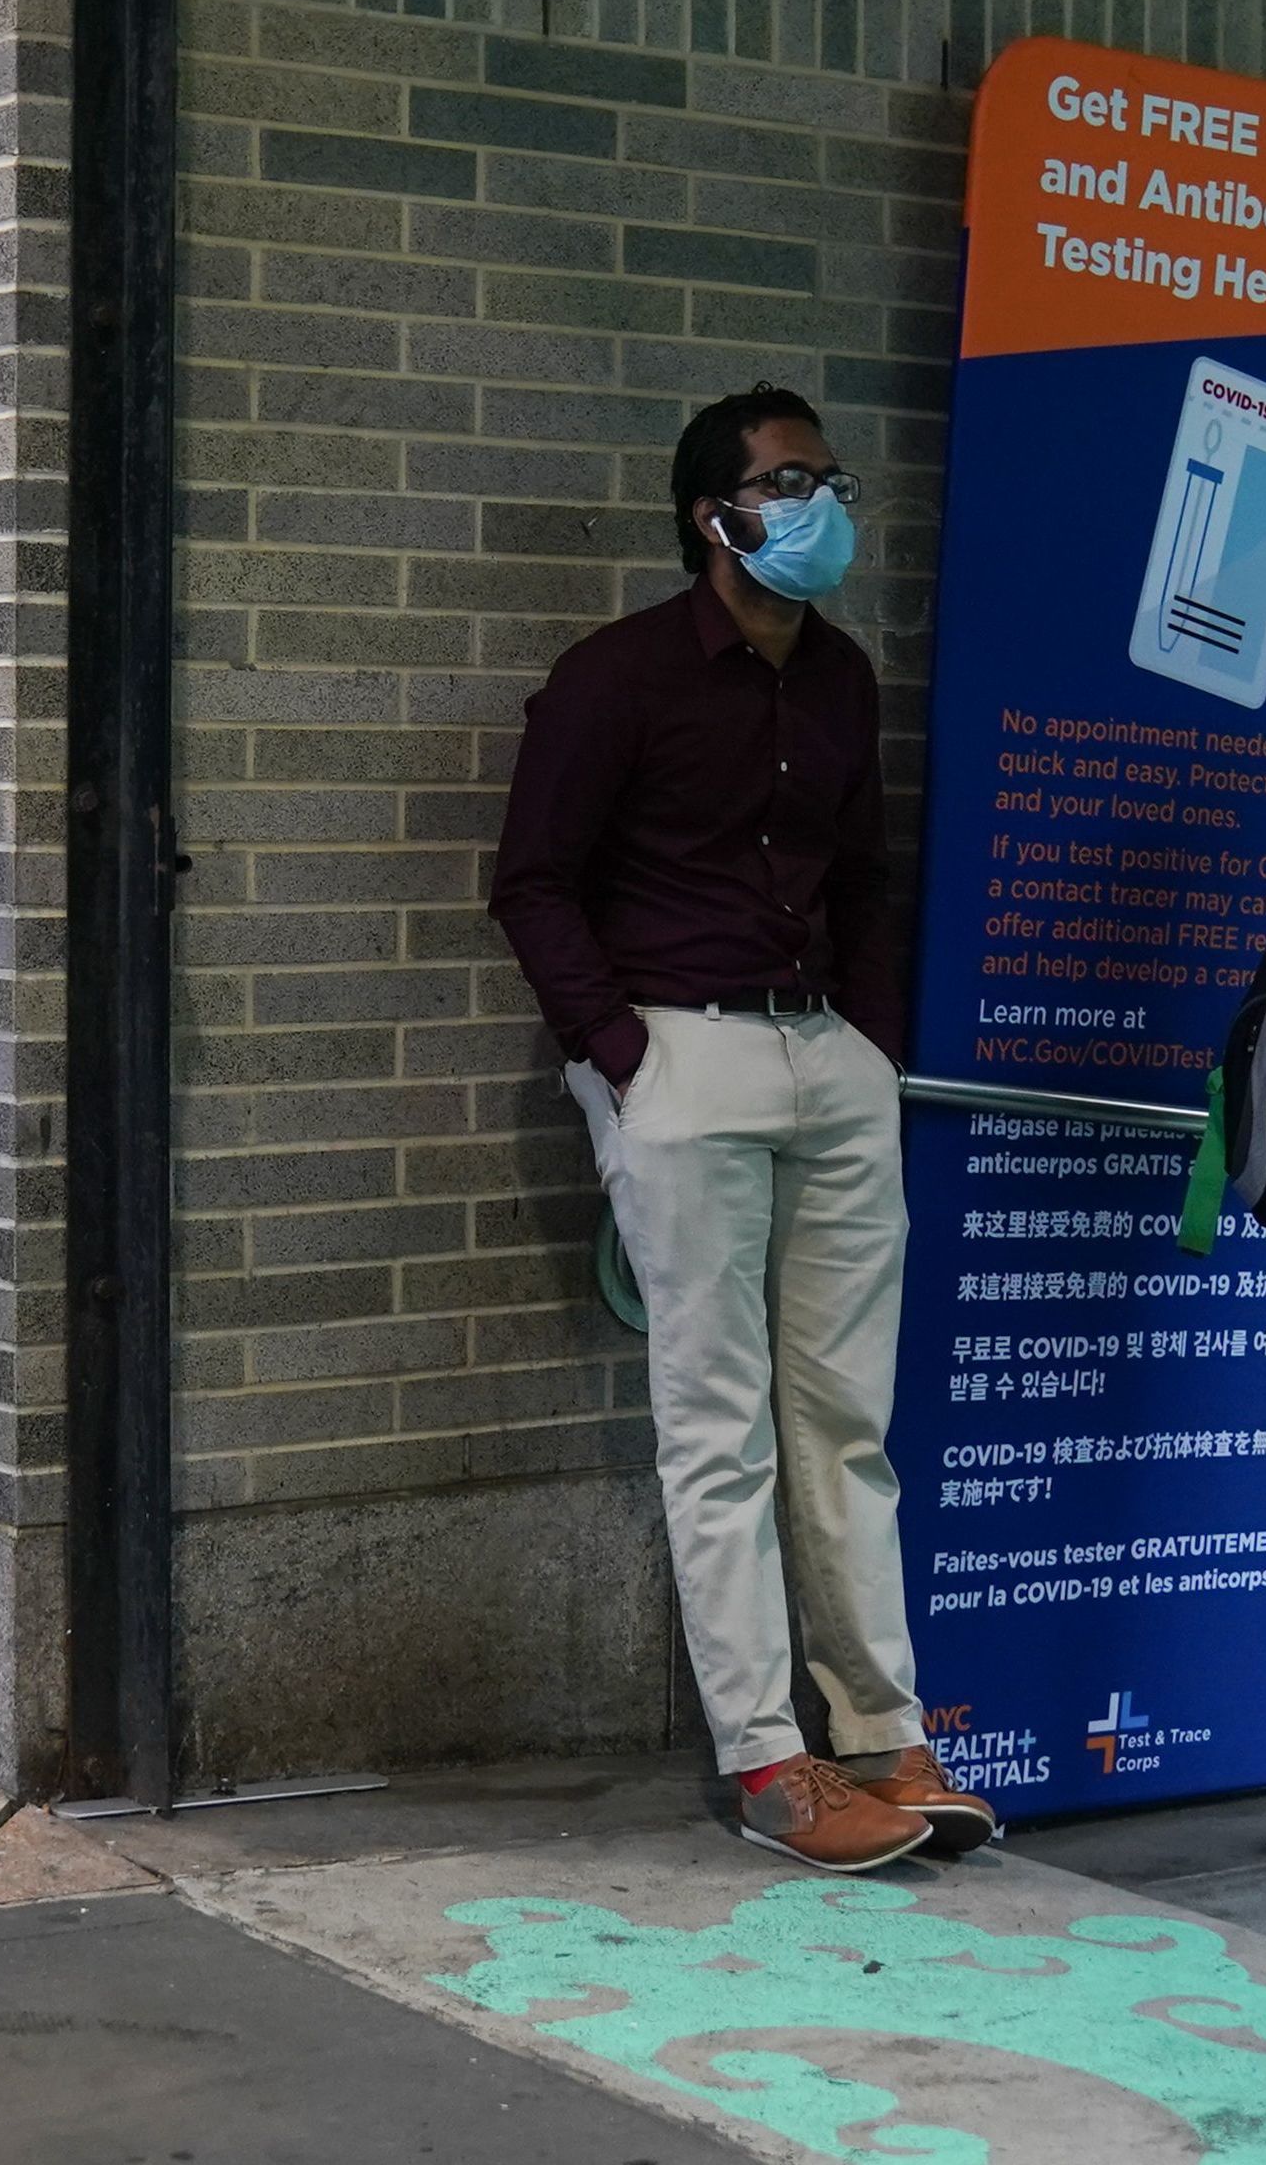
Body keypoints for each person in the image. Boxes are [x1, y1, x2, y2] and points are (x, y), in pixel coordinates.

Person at [489, 383, 990, 1874]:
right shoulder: (615, 679)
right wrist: (622, 1050)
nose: (819, 503)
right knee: (719, 1423)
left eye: (829, 476)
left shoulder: (840, 679)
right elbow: (532, 881)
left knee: (845, 1420)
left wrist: (872, 1053)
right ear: (713, 516)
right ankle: (772, 1762)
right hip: (683, 1057)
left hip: (824, 1056)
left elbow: (865, 878)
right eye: (786, 482)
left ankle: (884, 1733)